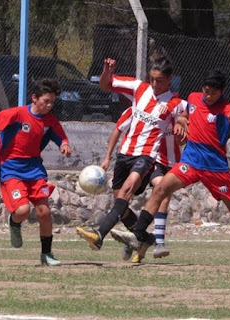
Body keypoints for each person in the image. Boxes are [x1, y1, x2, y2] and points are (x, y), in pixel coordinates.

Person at [110, 70, 230, 267]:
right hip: (190, 162)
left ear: (222, 92)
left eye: (213, 93)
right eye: (206, 91)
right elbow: (183, 114)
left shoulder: (226, 108)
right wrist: (181, 121)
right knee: (160, 188)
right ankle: (138, 235)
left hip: (216, 168)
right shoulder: (193, 98)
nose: (208, 96)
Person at [76, 57, 187, 255]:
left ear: (169, 79)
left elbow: (183, 115)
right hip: (124, 154)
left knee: (126, 192)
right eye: (152, 79)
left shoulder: (174, 102)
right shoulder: (139, 88)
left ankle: (99, 234)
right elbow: (105, 85)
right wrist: (106, 71)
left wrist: (180, 123)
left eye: (159, 80)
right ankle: (146, 239)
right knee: (121, 203)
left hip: (145, 156)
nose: (154, 84)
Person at [0, 79, 72, 266]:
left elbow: (61, 136)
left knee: (44, 212)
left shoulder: (50, 121)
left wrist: (64, 145)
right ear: (34, 98)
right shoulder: (16, 114)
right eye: (46, 101)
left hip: (35, 170)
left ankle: (46, 254)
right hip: (11, 169)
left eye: (52, 102)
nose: (49, 105)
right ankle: (14, 222)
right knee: (23, 210)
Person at [100, 106, 181, 262]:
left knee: (163, 192)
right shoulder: (138, 110)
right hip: (149, 159)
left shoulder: (177, 112)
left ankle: (149, 240)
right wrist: (108, 157)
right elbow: (119, 129)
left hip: (170, 162)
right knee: (121, 199)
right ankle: (138, 235)